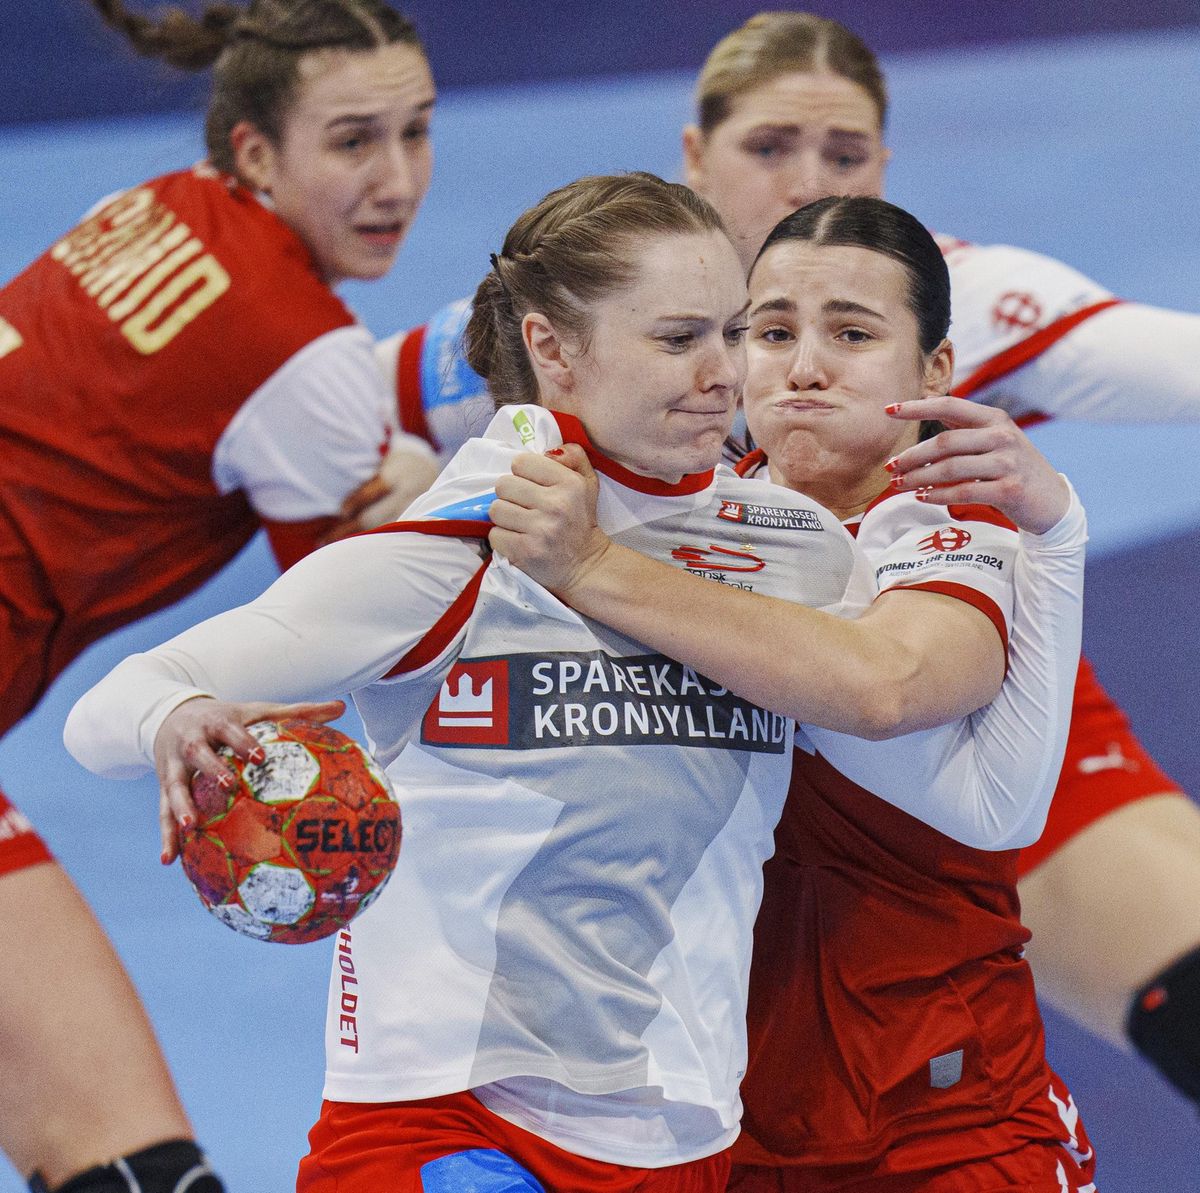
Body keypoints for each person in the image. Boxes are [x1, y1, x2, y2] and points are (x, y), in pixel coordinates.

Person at [63, 173, 1083, 1191]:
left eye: (733, 333)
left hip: (677, 1136)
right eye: (681, 340)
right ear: (552, 349)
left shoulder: (795, 551)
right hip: (447, 1119)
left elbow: (971, 783)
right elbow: (110, 708)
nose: (728, 375)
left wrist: (1058, 534)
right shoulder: (455, 550)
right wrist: (174, 716)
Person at [377, 9, 1200, 1107]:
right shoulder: (595, 305)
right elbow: (340, 427)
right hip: (710, 723)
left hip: (938, 657)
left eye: (845, 156)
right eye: (770, 149)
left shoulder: (951, 288)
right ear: (694, 156)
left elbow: (1179, 366)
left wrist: (1049, 515)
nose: (805, 182)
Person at [488, 193, 1096, 1190]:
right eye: (770, 332)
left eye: (852, 333)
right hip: (711, 1130)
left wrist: (593, 568)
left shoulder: (958, 526)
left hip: (944, 1130)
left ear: (934, 370)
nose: (803, 367)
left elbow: (887, 683)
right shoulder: (669, 511)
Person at [0, 2, 441, 1189]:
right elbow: (372, 646)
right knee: (134, 1171)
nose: (397, 178)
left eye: (416, 132)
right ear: (257, 150)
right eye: (354, 141)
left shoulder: (153, 208)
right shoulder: (303, 355)